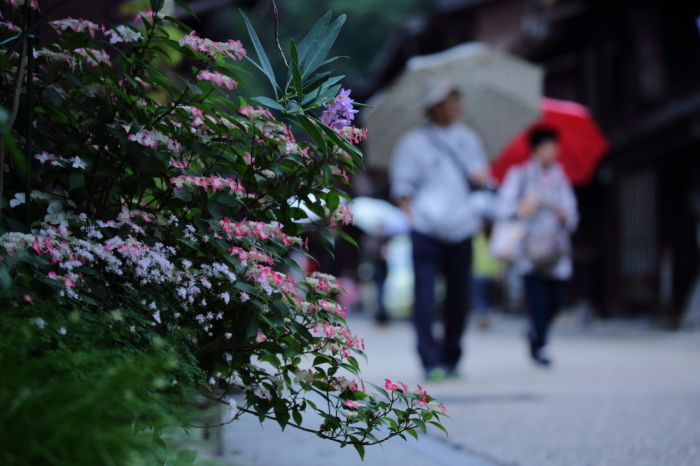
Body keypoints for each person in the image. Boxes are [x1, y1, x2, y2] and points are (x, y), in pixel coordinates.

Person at [390, 79, 490, 381]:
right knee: (424, 295)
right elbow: (402, 187)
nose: (456, 105)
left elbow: (482, 179)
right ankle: (429, 359)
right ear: (435, 105)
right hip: (426, 226)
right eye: (450, 99)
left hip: (462, 224)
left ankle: (452, 356)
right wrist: (411, 215)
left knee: (459, 296)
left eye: (457, 99)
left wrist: (480, 178)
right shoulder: (412, 143)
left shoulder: (469, 139)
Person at [495, 127, 579, 366]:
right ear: (536, 149)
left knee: (556, 301)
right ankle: (541, 344)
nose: (553, 151)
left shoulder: (560, 178)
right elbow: (503, 210)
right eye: (548, 146)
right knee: (538, 300)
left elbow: (572, 213)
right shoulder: (520, 176)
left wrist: (565, 216)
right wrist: (524, 206)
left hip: (556, 250)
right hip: (530, 251)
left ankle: (535, 333)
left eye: (555, 146)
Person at [471, 220, 503, 330]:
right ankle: (484, 315)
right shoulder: (484, 238)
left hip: (485, 272)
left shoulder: (482, 239)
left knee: (483, 296)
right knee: (483, 296)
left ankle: (484, 315)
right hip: (482, 272)